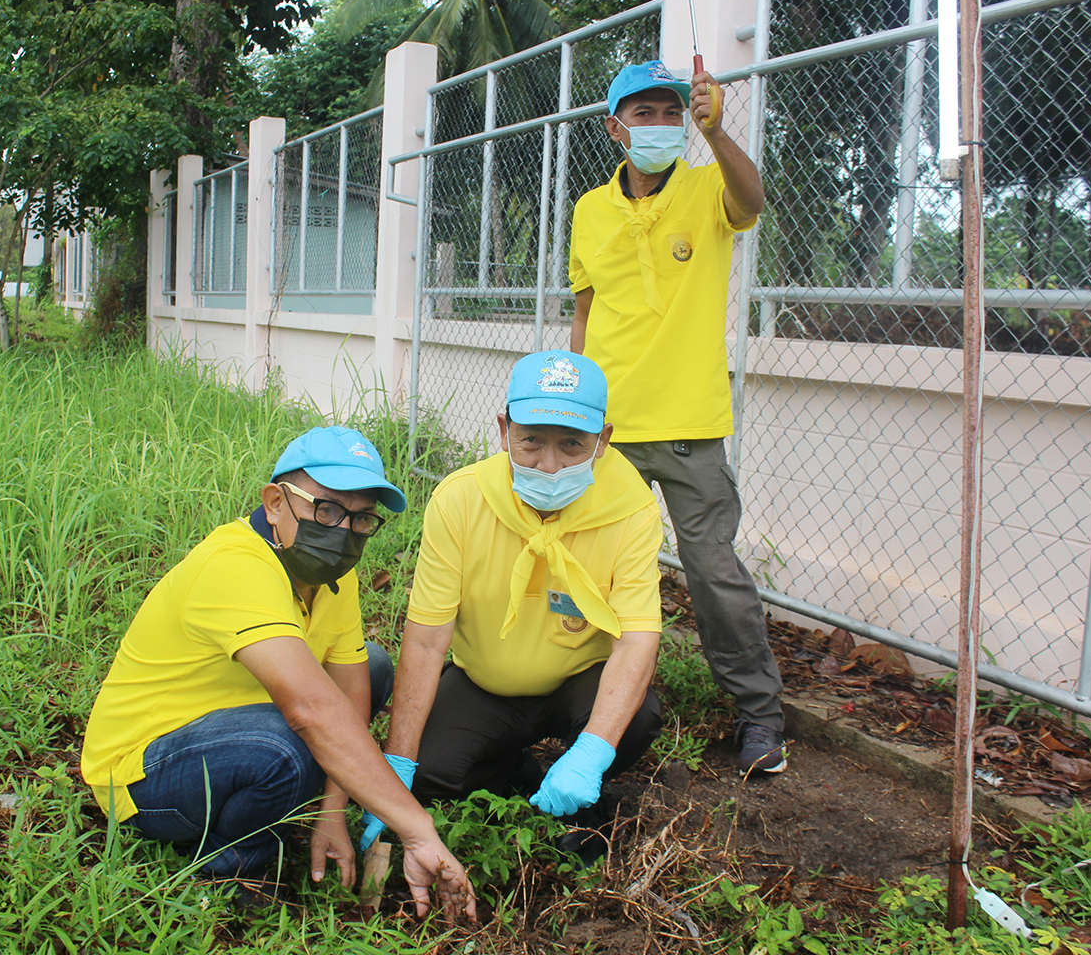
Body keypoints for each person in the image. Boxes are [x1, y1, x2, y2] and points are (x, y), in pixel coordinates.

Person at [80, 426, 476, 918]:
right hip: (143, 773)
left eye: (362, 518)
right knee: (288, 747)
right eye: (327, 510)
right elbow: (312, 710)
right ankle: (232, 867)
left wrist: (332, 810)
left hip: (233, 730)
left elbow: (351, 690)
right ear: (274, 503)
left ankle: (275, 802)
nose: (343, 532)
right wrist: (418, 830)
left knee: (372, 667)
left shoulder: (332, 574)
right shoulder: (236, 565)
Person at [568, 60, 786, 776]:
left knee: (714, 575)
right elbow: (586, 309)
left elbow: (751, 201)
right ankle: (585, 702)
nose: (659, 125)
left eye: (670, 112)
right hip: (610, 429)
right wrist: (577, 408)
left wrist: (717, 131)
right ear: (615, 128)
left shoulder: (705, 186)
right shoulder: (590, 210)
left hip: (691, 425)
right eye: (644, 114)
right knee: (588, 568)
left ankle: (759, 717)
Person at [362, 350, 663, 859]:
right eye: (531, 441)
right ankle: (521, 772)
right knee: (433, 772)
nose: (550, 465)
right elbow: (428, 639)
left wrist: (593, 749)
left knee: (634, 719)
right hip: (486, 683)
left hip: (577, 678)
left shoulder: (630, 507)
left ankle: (585, 801)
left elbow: (637, 638)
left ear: (603, 441)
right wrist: (398, 765)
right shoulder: (460, 500)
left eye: (572, 444)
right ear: (504, 430)